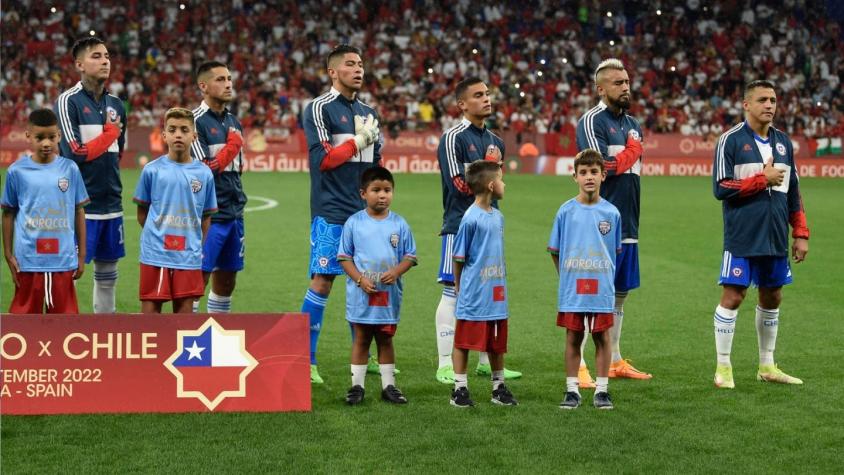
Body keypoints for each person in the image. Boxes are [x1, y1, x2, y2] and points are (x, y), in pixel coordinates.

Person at [711, 79, 809, 388]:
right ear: (746, 105)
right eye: (763, 100)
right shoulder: (730, 140)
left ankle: (767, 365)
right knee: (734, 295)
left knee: (773, 295)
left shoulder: (783, 143)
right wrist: (760, 179)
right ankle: (723, 368)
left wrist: (801, 232)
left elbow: (793, 191)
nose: (770, 105)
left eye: (773, 100)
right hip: (742, 234)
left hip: (776, 235)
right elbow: (720, 188)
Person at [300, 44, 382, 384]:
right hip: (332, 212)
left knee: (366, 283)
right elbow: (324, 160)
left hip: (363, 215)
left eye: (361, 63)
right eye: (350, 64)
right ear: (333, 72)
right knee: (323, 281)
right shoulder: (318, 108)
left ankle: (362, 356)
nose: (358, 69)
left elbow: (376, 165)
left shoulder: (369, 111)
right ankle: (306, 359)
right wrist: (359, 140)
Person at [434, 76, 522, 384]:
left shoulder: (496, 141)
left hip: (490, 228)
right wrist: (486, 176)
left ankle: (486, 361)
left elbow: (495, 188)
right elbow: (457, 184)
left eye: (487, 93)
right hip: (459, 226)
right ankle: (445, 362)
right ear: (462, 104)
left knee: (487, 290)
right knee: (452, 290)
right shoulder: (453, 137)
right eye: (478, 95)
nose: (486, 99)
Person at [575, 58, 651, 387]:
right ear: (600, 88)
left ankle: (616, 359)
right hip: (598, 221)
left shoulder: (632, 123)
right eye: (618, 83)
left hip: (628, 221)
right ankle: (578, 364)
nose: (625, 87)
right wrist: (634, 150)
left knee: (620, 292)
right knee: (589, 293)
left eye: (627, 81)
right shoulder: (591, 121)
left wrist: (632, 148)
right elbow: (600, 167)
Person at [55, 36, 127, 314]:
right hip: (79, 205)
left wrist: (110, 138)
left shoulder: (117, 105)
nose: (105, 60)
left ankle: (104, 330)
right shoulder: (68, 101)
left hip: (112, 203)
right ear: (79, 65)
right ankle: (62, 333)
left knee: (108, 273)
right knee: (69, 271)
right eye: (96, 56)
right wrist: (109, 134)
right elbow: (74, 153)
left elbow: (118, 152)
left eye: (107, 55)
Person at [548, 149, 621, 410]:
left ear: (603, 175)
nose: (588, 177)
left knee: (603, 338)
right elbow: (555, 251)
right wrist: (567, 277)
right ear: (575, 177)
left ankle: (601, 391)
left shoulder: (612, 213)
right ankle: (572, 391)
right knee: (573, 337)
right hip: (573, 290)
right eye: (583, 172)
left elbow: (615, 252)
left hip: (601, 288)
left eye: (593, 172)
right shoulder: (565, 212)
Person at [338, 167, 417, 405]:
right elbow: (344, 257)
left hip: (388, 296)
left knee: (385, 339)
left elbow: (410, 256)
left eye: (387, 190)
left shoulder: (400, 224)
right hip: (362, 294)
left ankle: (389, 386)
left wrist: (396, 271)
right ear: (363, 193)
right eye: (376, 190)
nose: (382, 195)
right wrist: (360, 279)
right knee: (361, 339)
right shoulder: (354, 223)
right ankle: (356, 387)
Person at [2, 109, 89, 314]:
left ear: (59, 135)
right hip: (28, 260)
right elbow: (8, 213)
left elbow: (79, 211)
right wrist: (8, 253)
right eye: (39, 138)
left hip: (63, 259)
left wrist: (82, 254)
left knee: (64, 323)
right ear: (28, 137)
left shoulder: (70, 169)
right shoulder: (16, 171)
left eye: (51, 137)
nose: (46, 143)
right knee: (23, 322)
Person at [133, 108, 217, 314]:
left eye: (184, 130)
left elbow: (206, 218)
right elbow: (142, 214)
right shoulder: (152, 170)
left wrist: (196, 246)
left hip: (188, 255)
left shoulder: (204, 173)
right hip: (155, 254)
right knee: (151, 317)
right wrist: (158, 235)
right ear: (164, 135)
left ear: (194, 136)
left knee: (184, 318)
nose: (178, 134)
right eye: (172, 129)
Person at [450, 160, 518, 408]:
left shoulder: (498, 217)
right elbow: (458, 257)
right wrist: (459, 286)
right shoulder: (470, 218)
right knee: (464, 342)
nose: (504, 183)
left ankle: (498, 387)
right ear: (491, 185)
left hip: (496, 293)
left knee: (496, 343)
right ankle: (459, 388)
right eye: (501, 179)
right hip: (475, 292)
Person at [191, 61, 247, 313]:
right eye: (221, 79)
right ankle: (184, 336)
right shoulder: (193, 121)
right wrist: (233, 146)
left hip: (234, 214)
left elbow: (236, 170)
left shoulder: (234, 121)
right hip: (207, 216)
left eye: (229, 79)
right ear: (203, 86)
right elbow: (204, 171)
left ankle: (216, 336)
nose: (228, 84)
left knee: (227, 279)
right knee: (197, 279)